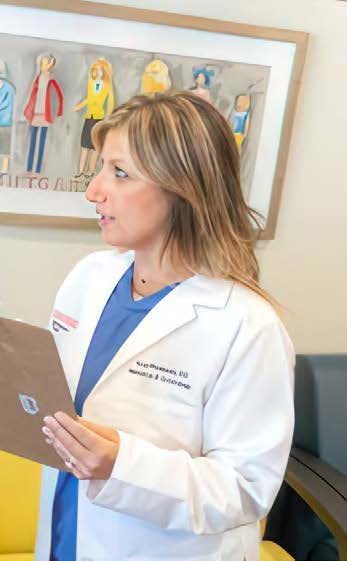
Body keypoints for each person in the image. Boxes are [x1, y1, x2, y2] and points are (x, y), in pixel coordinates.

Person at [38, 90, 294, 561]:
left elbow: (246, 488)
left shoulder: (247, 326)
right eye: (100, 169)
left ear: (183, 187)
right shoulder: (90, 277)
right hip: (65, 538)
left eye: (119, 173)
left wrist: (122, 465)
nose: (93, 191)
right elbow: (60, 398)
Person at [22, 52, 64, 174]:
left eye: (46, 63)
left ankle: (38, 170)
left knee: (41, 145)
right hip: (35, 114)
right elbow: (32, 96)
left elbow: (60, 95)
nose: (43, 65)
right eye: (42, 63)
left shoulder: (51, 79)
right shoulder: (37, 78)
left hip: (45, 115)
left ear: (50, 65)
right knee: (32, 142)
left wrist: (60, 109)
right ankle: (29, 168)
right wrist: (28, 109)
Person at [72, 57, 114, 177]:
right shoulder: (91, 83)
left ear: (104, 71)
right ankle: (80, 171)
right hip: (88, 117)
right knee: (85, 145)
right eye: (96, 69)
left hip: (99, 118)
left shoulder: (107, 86)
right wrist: (79, 106)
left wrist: (108, 118)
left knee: (95, 147)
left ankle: (90, 171)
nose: (97, 72)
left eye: (100, 69)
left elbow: (110, 102)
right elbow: (88, 99)